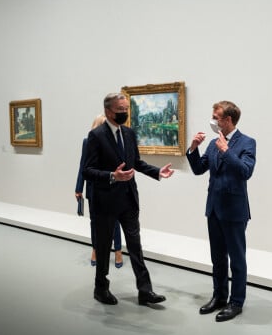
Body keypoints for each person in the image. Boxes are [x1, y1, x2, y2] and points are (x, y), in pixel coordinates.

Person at [83, 92, 174, 306]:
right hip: (105, 202)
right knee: (104, 247)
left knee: (136, 246)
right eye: (120, 111)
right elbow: (87, 170)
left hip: (128, 200)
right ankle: (101, 289)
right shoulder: (96, 136)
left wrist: (157, 172)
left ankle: (145, 291)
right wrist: (113, 176)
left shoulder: (130, 133)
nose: (124, 114)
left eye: (126, 110)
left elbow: (137, 163)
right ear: (108, 111)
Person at [186, 101, 256, 322]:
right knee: (217, 258)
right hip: (214, 209)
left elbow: (245, 171)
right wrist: (193, 149)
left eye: (216, 116)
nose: (213, 119)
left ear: (228, 120)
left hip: (235, 211)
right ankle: (219, 296)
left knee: (237, 259)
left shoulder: (247, 142)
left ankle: (236, 302)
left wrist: (226, 151)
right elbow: (199, 169)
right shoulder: (214, 142)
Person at [75, 114, 124, 268]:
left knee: (115, 221)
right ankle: (95, 250)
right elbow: (83, 166)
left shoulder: (116, 142)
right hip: (93, 189)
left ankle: (117, 251)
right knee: (95, 222)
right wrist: (78, 188)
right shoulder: (87, 142)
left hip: (112, 188)